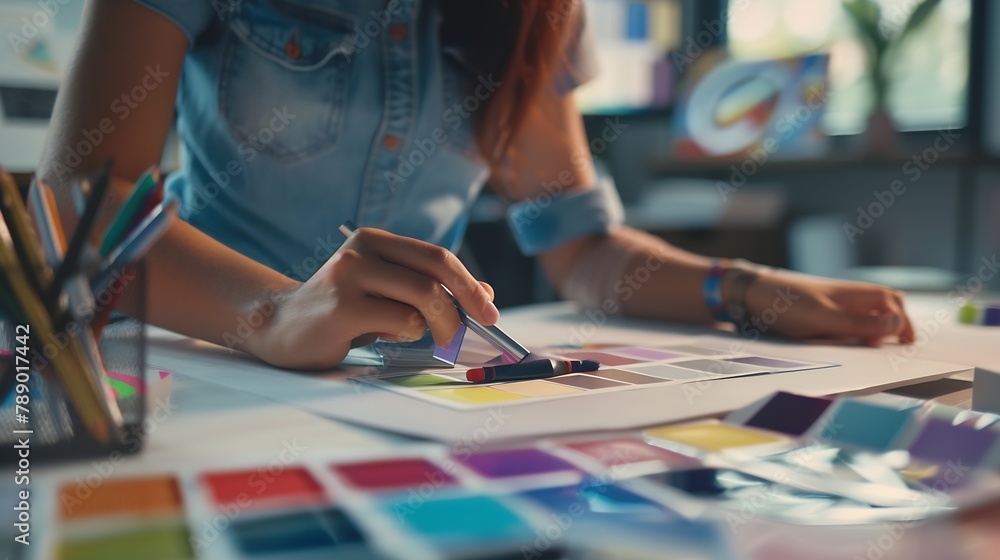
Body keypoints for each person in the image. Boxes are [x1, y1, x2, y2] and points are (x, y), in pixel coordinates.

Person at [38, 0, 914, 370]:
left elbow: (579, 246)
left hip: (399, 389)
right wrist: (271, 316)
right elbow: (77, 204)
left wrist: (743, 287)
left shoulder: (537, 12)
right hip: (193, 361)